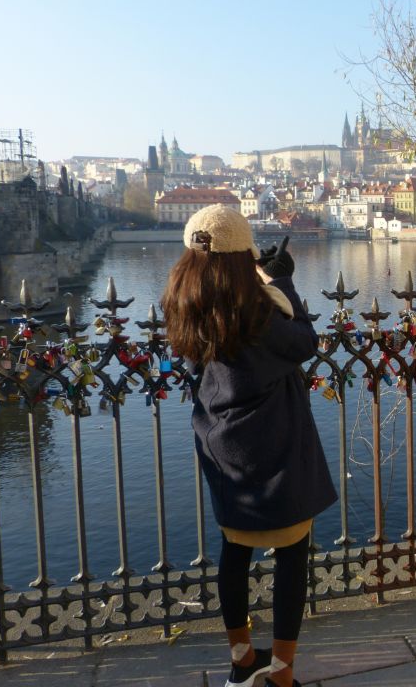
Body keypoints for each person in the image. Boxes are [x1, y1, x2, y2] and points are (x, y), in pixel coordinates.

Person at [161, 204, 336, 687]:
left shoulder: (183, 298)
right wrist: (282, 283)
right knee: (291, 553)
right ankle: (280, 673)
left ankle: (242, 659)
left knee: (234, 548)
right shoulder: (254, 309)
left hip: (221, 442)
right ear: (243, 255)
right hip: (272, 445)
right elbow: (303, 343)